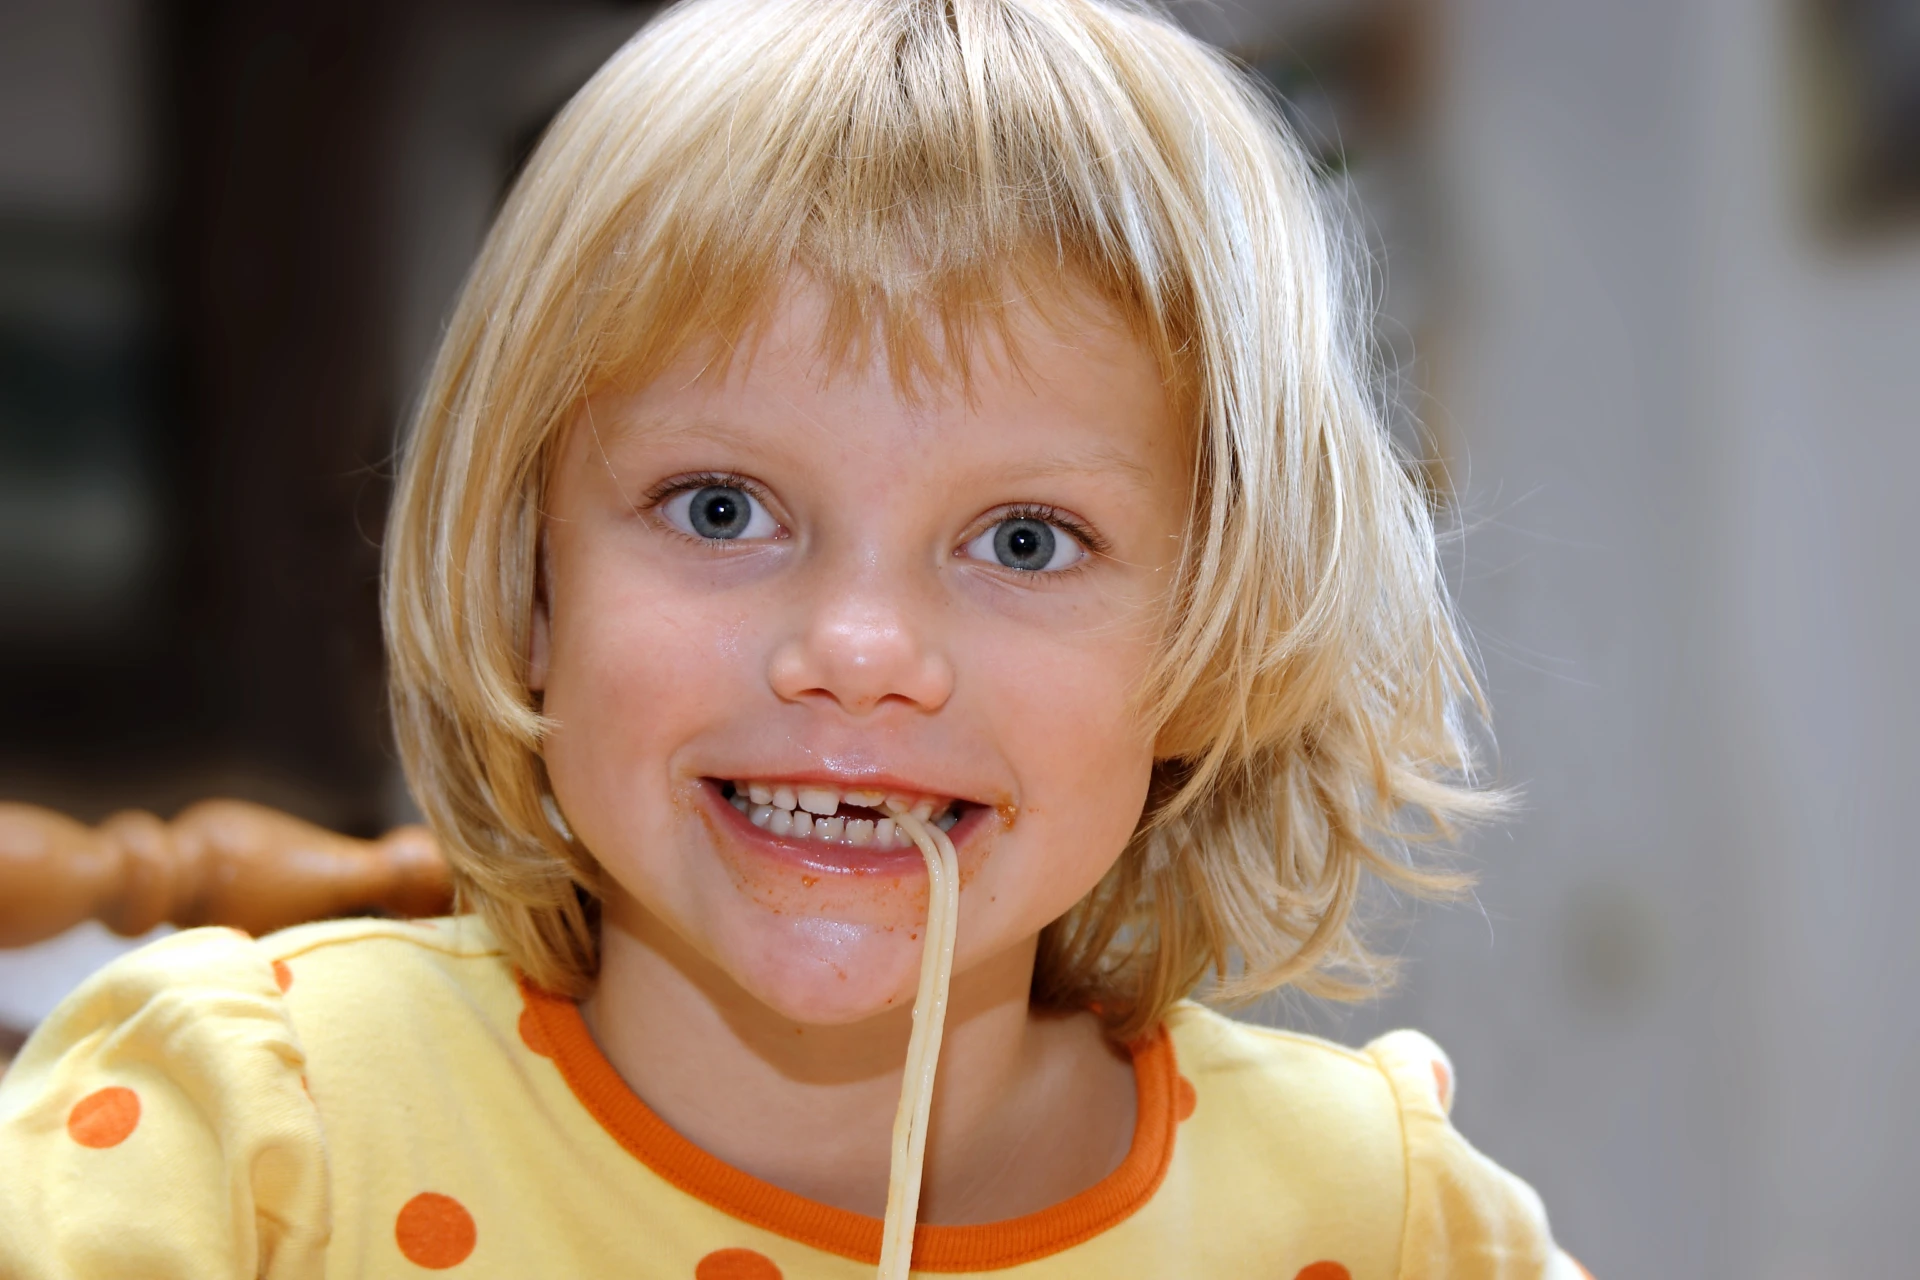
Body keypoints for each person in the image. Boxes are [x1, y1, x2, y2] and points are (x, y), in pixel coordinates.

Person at [0, 1, 1591, 1275]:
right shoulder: (248, 1137)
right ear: (529, 587)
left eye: (1025, 541)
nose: (859, 646)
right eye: (720, 509)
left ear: (1216, 645)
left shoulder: (1378, 1221)